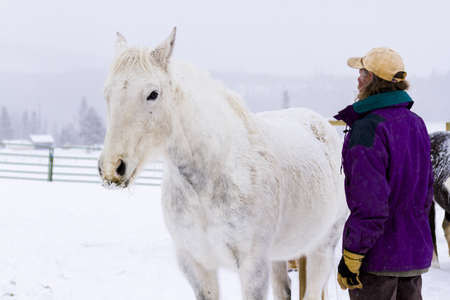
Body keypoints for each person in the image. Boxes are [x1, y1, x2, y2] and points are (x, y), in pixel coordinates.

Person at [334, 47, 434, 300]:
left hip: (378, 260)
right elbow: (425, 192)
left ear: (372, 80)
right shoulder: (417, 123)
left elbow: (370, 204)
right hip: (413, 255)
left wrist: (352, 256)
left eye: (362, 72)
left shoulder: (367, 128)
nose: (357, 78)